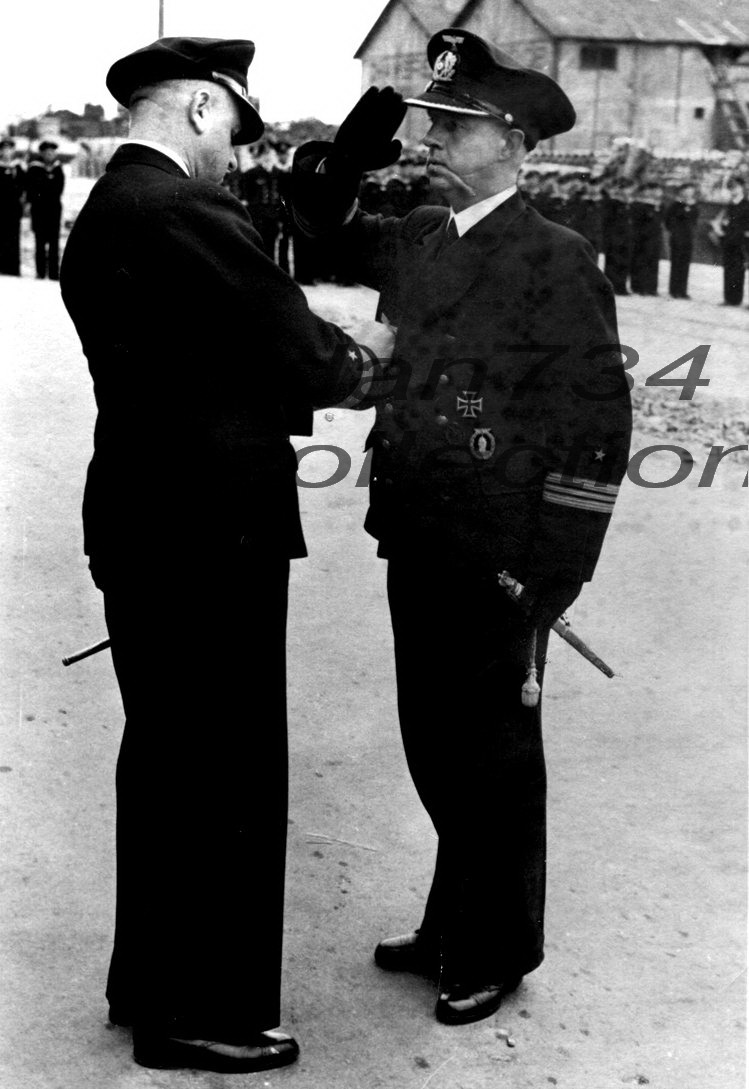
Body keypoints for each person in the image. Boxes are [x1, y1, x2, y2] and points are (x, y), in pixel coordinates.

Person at [59, 35, 392, 1074]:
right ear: (203, 107)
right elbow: (289, 342)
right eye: (234, 132)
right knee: (221, 770)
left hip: (150, 514)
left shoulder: (118, 204)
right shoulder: (180, 209)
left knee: (168, 758)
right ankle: (197, 1011)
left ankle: (149, 986)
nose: (234, 154)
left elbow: (219, 321)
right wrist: (368, 362)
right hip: (207, 528)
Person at [292, 29, 632, 1026]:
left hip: (500, 553)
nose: (433, 136)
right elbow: (318, 221)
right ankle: (452, 924)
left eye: (454, 123)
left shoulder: (556, 258)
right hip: (417, 531)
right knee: (435, 742)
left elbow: (595, 423)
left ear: (513, 141)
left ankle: (495, 946)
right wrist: (355, 145)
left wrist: (555, 567)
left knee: (490, 757)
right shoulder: (423, 234)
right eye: (431, 120)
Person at [25, 139, 65, 279]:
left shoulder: (58, 168)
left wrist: (45, 189)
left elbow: (59, 188)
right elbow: (31, 188)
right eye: (47, 152)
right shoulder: (34, 168)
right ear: (42, 153)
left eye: (52, 152)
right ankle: (40, 272)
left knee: (54, 242)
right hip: (39, 209)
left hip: (54, 209)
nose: (50, 154)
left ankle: (53, 273)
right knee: (40, 241)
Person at [713, 175, 749, 305]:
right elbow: (720, 221)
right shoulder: (729, 206)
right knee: (728, 269)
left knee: (739, 271)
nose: (733, 190)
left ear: (742, 188)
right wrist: (720, 231)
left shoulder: (746, 205)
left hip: (741, 242)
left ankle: (736, 299)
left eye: (736, 187)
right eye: (731, 188)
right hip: (728, 240)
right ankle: (728, 299)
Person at [664, 182, 700, 299]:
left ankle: (682, 291)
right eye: (686, 191)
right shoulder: (675, 205)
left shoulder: (694, 205)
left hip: (688, 238)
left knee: (685, 265)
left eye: (691, 191)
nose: (689, 194)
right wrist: (675, 231)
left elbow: (695, 219)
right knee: (676, 264)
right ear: (681, 192)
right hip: (677, 238)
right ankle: (674, 290)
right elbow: (668, 220)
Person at [629, 181, 664, 295]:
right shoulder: (638, 204)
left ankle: (651, 287)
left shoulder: (659, 205)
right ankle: (639, 287)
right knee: (641, 261)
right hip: (642, 237)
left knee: (653, 262)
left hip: (655, 236)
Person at [0, 137, 25, 275]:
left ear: (13, 151)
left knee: (13, 238)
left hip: (14, 208)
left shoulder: (18, 167)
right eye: (4, 149)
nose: (7, 152)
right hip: (0, 207)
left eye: (9, 149)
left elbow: (23, 186)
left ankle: (13, 269)